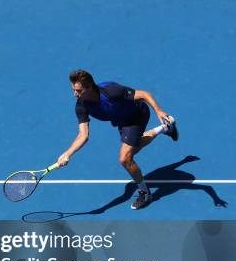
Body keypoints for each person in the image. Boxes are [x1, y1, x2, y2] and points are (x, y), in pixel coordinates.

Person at [58, 70, 178, 210]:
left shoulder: (111, 91)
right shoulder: (81, 106)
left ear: (90, 87)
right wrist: (68, 153)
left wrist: (158, 111)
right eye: (73, 90)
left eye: (78, 90)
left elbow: (144, 94)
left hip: (137, 116)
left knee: (125, 158)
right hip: (122, 121)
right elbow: (83, 135)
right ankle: (165, 128)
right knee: (135, 146)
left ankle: (145, 193)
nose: (75, 94)